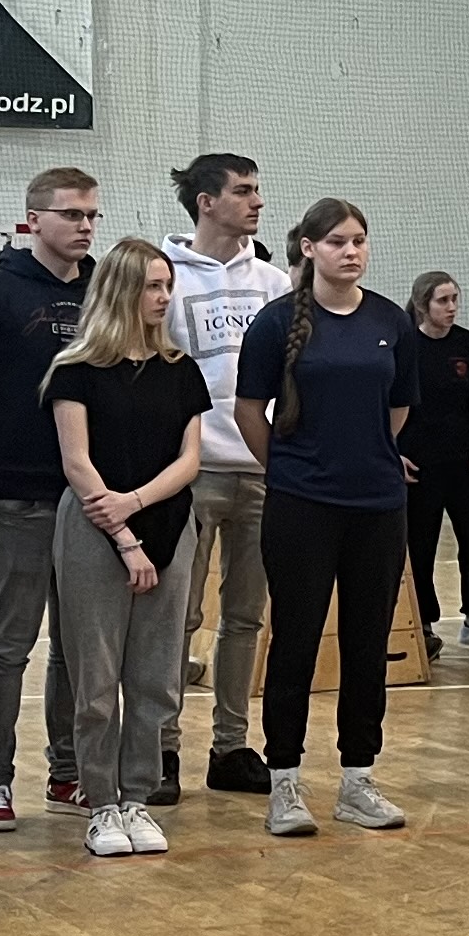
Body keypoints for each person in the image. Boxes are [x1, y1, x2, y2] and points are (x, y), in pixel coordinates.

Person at [238, 199, 420, 831]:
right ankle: (285, 782)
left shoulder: (390, 321)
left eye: (359, 240)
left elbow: (399, 408)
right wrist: (290, 470)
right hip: (301, 507)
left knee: (367, 646)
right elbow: (247, 410)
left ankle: (357, 780)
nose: (351, 251)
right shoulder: (275, 323)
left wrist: (368, 455)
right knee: (295, 641)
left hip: (378, 507)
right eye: (338, 241)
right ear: (309, 248)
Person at [46, 238, 215, 857]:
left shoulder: (182, 370)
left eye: (167, 285)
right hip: (94, 530)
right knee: (96, 679)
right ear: (120, 291)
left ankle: (138, 798)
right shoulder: (75, 369)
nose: (163, 296)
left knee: (157, 677)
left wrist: (136, 504)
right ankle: (100, 802)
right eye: (151, 286)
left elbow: (190, 460)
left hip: (169, 525)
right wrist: (122, 534)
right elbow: (77, 462)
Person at [0, 166, 96, 834]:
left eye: (91, 216)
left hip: (89, 498)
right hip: (18, 494)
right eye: (71, 214)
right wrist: (10, 444)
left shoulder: (103, 291)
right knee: (10, 643)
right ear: (34, 219)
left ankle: (67, 771)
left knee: (76, 647)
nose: (84, 226)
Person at [163, 153, 283, 799]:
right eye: (243, 191)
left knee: (245, 618)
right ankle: (161, 747)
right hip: (192, 472)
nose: (256, 201)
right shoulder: (166, 276)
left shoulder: (273, 282)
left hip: (262, 470)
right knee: (177, 617)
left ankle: (231, 746)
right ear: (206, 202)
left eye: (257, 190)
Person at [398, 269, 469, 659]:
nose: (452, 307)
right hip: (418, 464)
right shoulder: (404, 345)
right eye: (443, 300)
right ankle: (423, 626)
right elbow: (385, 402)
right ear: (423, 304)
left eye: (455, 299)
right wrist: (392, 450)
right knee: (419, 544)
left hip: (466, 460)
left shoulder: (467, 343)